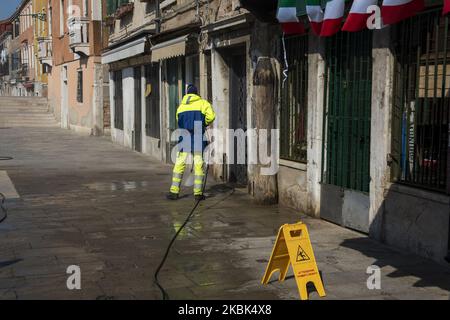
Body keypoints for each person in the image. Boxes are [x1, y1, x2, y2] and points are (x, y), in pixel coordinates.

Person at [167, 84, 216, 201]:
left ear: (187, 94)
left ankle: (174, 192)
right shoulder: (203, 103)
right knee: (199, 163)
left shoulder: (181, 106)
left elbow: (179, 120)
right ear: (196, 93)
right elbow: (211, 116)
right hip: (198, 134)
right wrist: (204, 123)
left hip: (184, 135)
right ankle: (198, 193)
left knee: (179, 163)